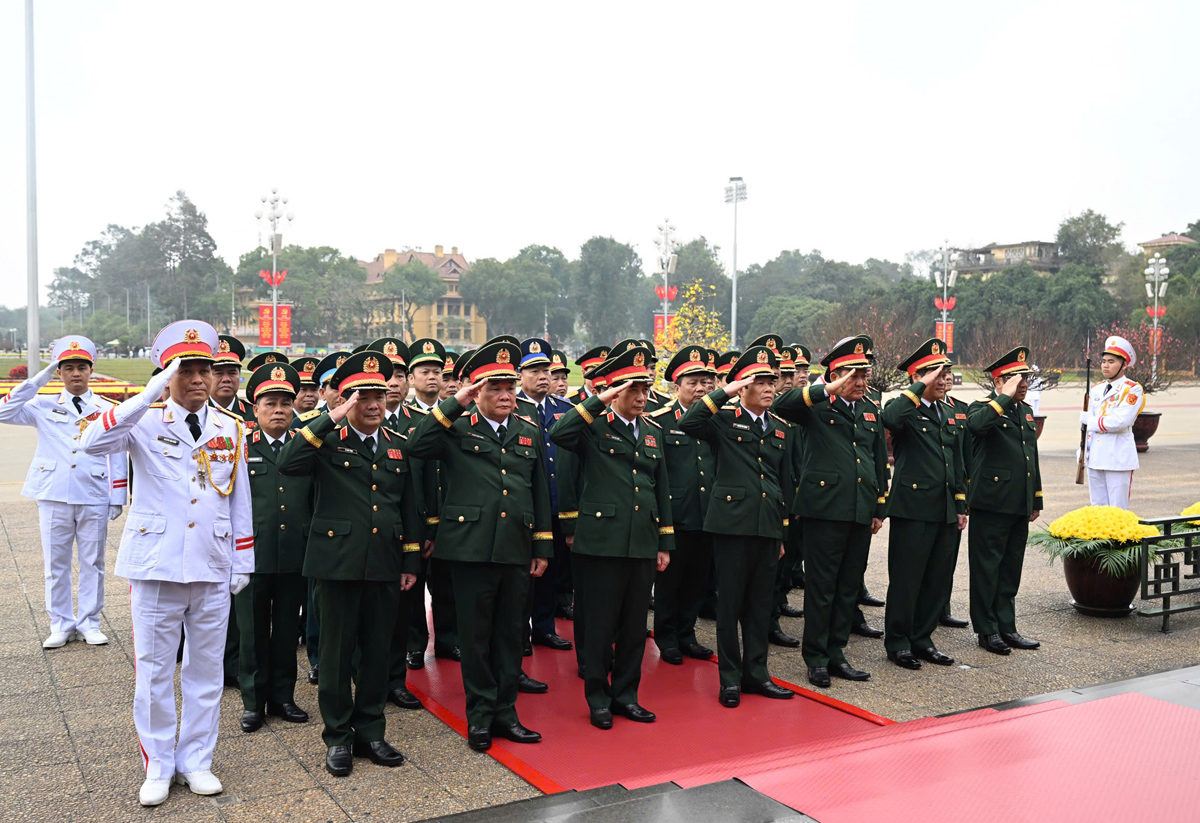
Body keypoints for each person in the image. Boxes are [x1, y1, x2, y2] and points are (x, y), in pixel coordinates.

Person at [81, 321, 254, 806]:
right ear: (167, 374)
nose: (199, 380)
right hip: (156, 565)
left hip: (213, 564)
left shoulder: (230, 427)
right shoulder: (145, 420)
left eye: (205, 370)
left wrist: (244, 559)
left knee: (206, 670)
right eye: (186, 370)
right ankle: (157, 763)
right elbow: (93, 442)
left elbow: (239, 500)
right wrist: (146, 395)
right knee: (155, 671)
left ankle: (196, 760)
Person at [279, 351, 422, 776]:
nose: (375, 404)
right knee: (338, 657)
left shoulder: (398, 445)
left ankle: (371, 731)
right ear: (346, 401)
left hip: (383, 562)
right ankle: (338, 737)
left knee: (378, 654)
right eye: (363, 397)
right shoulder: (325, 441)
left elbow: (409, 507)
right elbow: (288, 463)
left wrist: (410, 558)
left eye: (379, 395)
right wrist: (331, 416)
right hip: (336, 563)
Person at [408, 340, 554, 751]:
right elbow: (417, 446)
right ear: (476, 391)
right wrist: (456, 402)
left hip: (514, 547)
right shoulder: (456, 427)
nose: (505, 395)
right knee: (476, 639)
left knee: (510, 636)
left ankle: (507, 714)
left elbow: (538, 489)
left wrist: (542, 547)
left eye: (510, 387)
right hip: (470, 549)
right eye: (495, 388)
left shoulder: (527, 428)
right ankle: (480, 717)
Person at [550, 345, 673, 728]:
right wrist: (600, 398)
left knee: (635, 628)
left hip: (640, 542)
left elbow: (660, 488)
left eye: (644, 391)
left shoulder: (652, 431)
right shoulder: (591, 426)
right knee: (600, 628)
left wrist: (664, 542)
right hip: (600, 543)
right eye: (632, 391)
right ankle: (598, 699)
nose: (641, 398)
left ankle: (626, 696)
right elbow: (558, 432)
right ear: (615, 391)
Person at [680, 346, 794, 707]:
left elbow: (783, 481)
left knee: (760, 605)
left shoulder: (779, 428)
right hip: (731, 526)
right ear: (743, 386)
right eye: (759, 382)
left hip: (766, 526)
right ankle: (729, 678)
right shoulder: (724, 420)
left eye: (771, 382)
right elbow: (689, 421)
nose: (769, 388)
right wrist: (726, 390)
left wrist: (781, 532)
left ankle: (757, 674)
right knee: (729, 607)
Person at [772, 336, 888, 688]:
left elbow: (877, 460)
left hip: (859, 510)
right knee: (822, 588)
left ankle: (837, 653)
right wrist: (829, 388)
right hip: (824, 511)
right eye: (854, 376)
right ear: (836, 374)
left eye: (864, 377)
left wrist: (879, 507)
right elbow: (783, 405)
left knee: (847, 586)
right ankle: (817, 658)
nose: (861, 383)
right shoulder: (815, 404)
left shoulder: (869, 409)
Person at [0, 335, 127, 648]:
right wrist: (38, 379)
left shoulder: (106, 408)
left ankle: (90, 622)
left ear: (91, 370)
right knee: (55, 564)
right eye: (67, 368)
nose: (75, 374)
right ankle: (60, 623)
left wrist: (118, 495)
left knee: (92, 562)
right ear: (59, 373)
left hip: (94, 492)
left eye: (81, 367)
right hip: (54, 492)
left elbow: (118, 452)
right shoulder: (42, 405)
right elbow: (3, 411)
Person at [236, 362, 312, 732]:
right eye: (270, 403)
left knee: (285, 631)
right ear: (255, 408)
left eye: (285, 402)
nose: (279, 410)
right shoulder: (239, 446)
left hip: (294, 554)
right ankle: (253, 701)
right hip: (251, 556)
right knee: (251, 633)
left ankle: (284, 696)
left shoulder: (304, 446)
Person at [880, 339, 965, 670]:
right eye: (937, 376)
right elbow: (889, 420)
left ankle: (923, 638)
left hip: (944, 508)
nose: (944, 381)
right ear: (919, 377)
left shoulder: (947, 412)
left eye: (946, 375)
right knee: (906, 578)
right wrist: (919, 386)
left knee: (936, 579)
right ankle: (898, 641)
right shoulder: (904, 407)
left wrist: (960, 504)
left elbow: (955, 462)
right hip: (912, 509)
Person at [967, 346, 1043, 655]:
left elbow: (1030, 457)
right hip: (991, 503)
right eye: (1016, 378)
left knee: (1011, 569)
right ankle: (987, 630)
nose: (1024, 384)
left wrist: (1035, 497)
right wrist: (1002, 398)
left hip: (1018, 502)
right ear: (999, 382)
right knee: (987, 569)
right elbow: (976, 426)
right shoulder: (981, 407)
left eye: (1026, 378)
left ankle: (1007, 626)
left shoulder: (1024, 411)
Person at [648, 345, 716, 665]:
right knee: (670, 581)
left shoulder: (716, 419)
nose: (701, 388)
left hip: (708, 513)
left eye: (706, 381)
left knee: (697, 580)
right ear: (677, 387)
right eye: (693, 382)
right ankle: (666, 636)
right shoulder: (660, 421)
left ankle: (687, 634)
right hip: (674, 515)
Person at [401, 338, 460, 670]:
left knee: (448, 583)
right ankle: (414, 644)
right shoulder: (406, 419)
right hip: (420, 518)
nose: (433, 377)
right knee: (414, 585)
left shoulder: (456, 416)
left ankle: (449, 640)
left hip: (452, 517)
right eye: (425, 371)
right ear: (412, 379)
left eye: (438, 371)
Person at [515, 337, 575, 655]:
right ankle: (520, 633)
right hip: (523, 506)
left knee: (550, 572)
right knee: (524, 575)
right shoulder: (511, 409)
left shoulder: (565, 410)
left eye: (546, 370)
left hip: (554, 505)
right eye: (534, 369)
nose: (543, 376)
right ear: (519, 375)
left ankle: (544, 628)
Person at [1081, 335, 1144, 509]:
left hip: (1118, 457)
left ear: (1124, 365)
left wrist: (1091, 422)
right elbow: (1087, 429)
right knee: (1097, 507)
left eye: (1111, 361)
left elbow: (1120, 421)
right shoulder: (1096, 389)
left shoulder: (1132, 390)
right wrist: (1082, 450)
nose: (1105, 365)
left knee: (1117, 509)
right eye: (1103, 361)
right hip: (1095, 456)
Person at [939, 367, 972, 629]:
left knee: (947, 558)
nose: (947, 378)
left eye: (950, 373)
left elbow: (966, 456)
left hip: (955, 491)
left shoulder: (961, 408)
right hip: (932, 492)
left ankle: (943, 607)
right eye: (943, 373)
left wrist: (965, 494)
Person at [289, 356, 321, 424]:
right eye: (303, 389)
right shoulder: (285, 420)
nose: (309, 394)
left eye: (314, 390)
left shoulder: (322, 420)